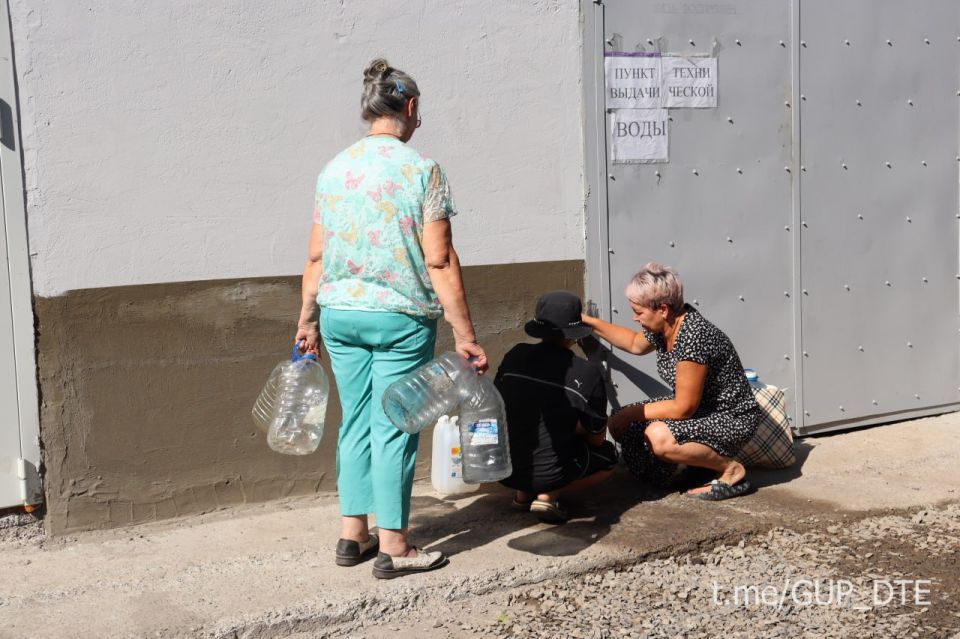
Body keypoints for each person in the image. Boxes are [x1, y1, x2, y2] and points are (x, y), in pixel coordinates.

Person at [295, 58, 487, 578]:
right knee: (395, 427)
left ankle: (352, 534)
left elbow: (316, 257)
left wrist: (308, 321)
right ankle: (395, 545)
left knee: (354, 422)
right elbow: (440, 259)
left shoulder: (333, 170)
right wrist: (464, 335)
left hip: (339, 314)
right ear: (411, 108)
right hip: (399, 317)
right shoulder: (423, 170)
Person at [581, 263, 760, 500]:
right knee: (627, 426)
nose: (635, 318)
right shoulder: (665, 325)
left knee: (658, 435)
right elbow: (634, 343)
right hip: (703, 410)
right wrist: (588, 322)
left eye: (639, 312)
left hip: (730, 416)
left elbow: (683, 408)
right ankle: (687, 471)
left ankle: (731, 470)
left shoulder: (692, 337)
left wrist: (630, 414)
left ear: (662, 309)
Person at [495, 291, 616, 524]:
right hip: (550, 474)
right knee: (608, 457)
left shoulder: (514, 355)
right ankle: (549, 495)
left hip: (504, 472)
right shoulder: (587, 373)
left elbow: (499, 406)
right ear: (575, 334)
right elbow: (596, 440)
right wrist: (576, 428)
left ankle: (522, 495)